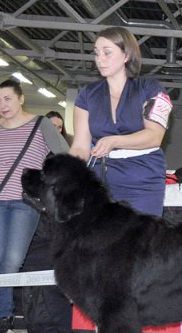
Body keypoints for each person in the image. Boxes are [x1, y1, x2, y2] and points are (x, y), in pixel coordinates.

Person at [0, 79, 68, 333]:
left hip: (24, 202)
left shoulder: (41, 125)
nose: (2, 105)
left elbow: (64, 154)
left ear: (21, 99)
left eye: (8, 99)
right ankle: (4, 318)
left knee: (13, 260)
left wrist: (50, 183)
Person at [69, 26, 172, 216]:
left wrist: (114, 141)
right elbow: (80, 147)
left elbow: (154, 137)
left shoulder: (151, 88)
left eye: (107, 52)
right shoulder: (87, 94)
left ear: (126, 55)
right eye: (96, 53)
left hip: (143, 181)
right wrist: (67, 171)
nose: (100, 59)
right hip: (99, 183)